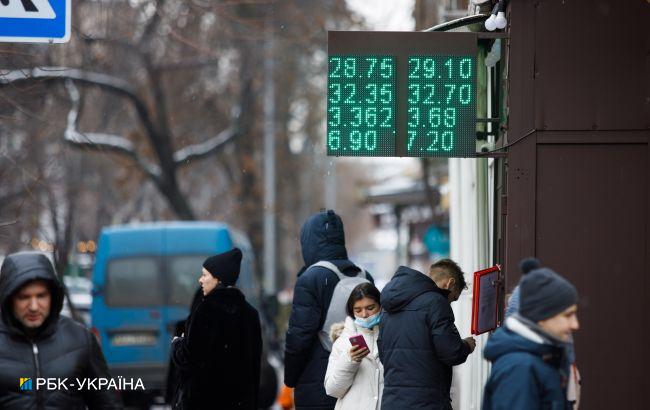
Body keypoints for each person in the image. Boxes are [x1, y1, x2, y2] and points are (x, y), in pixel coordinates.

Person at [0, 252, 122, 410]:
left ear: (52, 296)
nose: (34, 307)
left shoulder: (79, 338)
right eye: (24, 297)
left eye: (41, 296)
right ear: (9, 298)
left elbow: (107, 403)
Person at [284, 210, 372, 410]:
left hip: (319, 381)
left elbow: (299, 338)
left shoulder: (311, 279)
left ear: (309, 242)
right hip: (361, 379)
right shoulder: (365, 276)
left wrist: (290, 378)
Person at [171, 248, 262, 410]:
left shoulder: (205, 310)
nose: (200, 280)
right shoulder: (251, 314)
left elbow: (189, 358)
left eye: (205, 275)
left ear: (218, 279)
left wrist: (177, 343)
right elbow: (254, 368)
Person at [378, 259, 476, 410]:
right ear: (449, 283)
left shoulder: (387, 307)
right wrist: (467, 345)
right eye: (454, 298)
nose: (450, 302)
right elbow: (451, 352)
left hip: (392, 401)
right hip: (427, 401)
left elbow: (383, 354)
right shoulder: (436, 302)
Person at [482, 268, 579, 410]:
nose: (575, 324)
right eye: (567, 315)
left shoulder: (544, 358)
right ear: (540, 316)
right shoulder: (520, 369)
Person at [324, 283, 384, 410]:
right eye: (358, 310)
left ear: (380, 306)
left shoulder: (394, 335)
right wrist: (349, 360)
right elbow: (332, 390)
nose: (364, 314)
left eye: (370, 308)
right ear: (352, 311)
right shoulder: (342, 341)